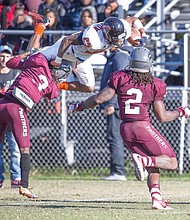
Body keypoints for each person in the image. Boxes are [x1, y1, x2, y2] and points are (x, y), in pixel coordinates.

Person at [68, 47, 190, 209]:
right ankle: (144, 160)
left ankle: (157, 198)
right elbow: (162, 117)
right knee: (171, 161)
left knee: (155, 163)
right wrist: (181, 111)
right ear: (149, 63)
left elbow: (100, 98)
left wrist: (79, 106)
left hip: (125, 129)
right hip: (142, 126)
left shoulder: (120, 77)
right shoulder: (156, 83)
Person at [0, 15, 63, 199]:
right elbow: (56, 90)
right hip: (16, 108)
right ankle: (24, 186)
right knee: (24, 149)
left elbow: (12, 62)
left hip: (3, 103)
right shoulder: (53, 87)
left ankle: (40, 26)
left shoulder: (38, 62)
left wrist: (30, 54)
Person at [28, 11, 147, 93]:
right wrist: (58, 60)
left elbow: (133, 19)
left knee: (88, 87)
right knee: (31, 58)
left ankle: (54, 85)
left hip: (81, 58)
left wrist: (142, 32)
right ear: (108, 36)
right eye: (117, 38)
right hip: (68, 50)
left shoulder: (118, 27)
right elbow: (67, 40)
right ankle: (40, 25)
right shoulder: (93, 39)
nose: (120, 41)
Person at [100, 46, 132, 181]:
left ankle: (118, 171)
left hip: (117, 106)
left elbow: (119, 82)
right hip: (118, 104)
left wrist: (111, 103)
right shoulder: (114, 57)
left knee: (115, 138)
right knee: (118, 138)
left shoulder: (120, 57)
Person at [0, 45, 21, 188]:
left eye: (7, 56)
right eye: (2, 56)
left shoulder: (15, 74)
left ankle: (16, 177)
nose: (4, 59)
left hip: (12, 114)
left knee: (15, 148)